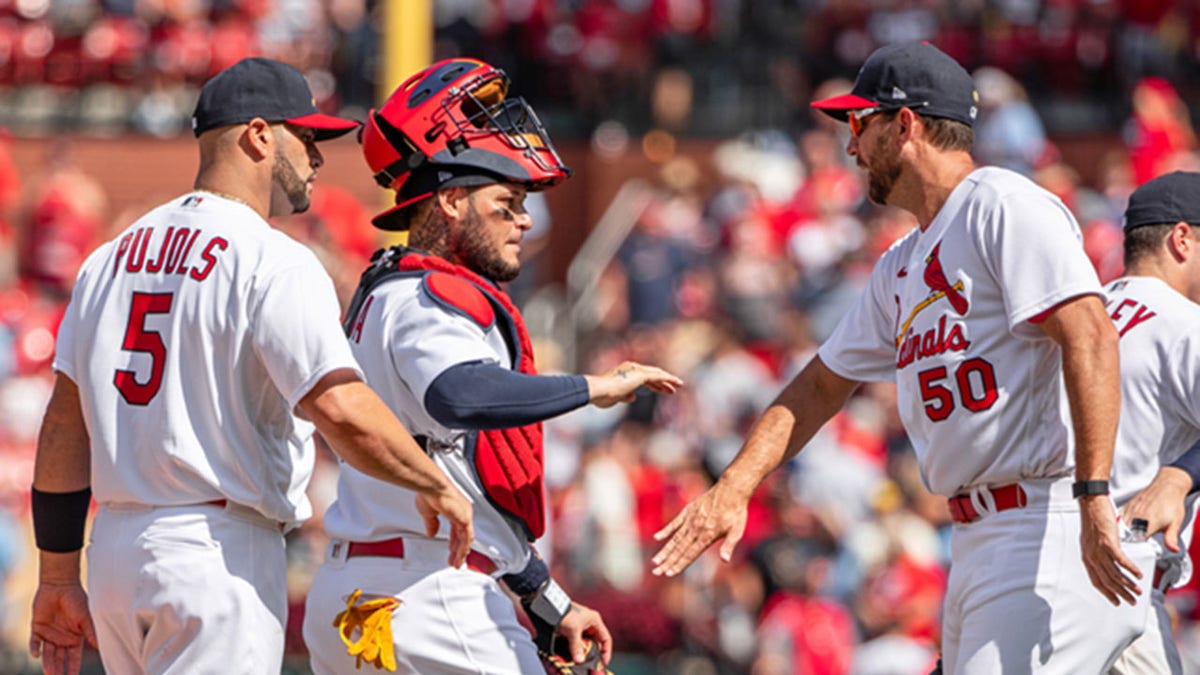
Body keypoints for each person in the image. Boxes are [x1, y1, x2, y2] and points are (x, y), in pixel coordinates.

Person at [650, 41, 1155, 673]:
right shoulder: (902, 263)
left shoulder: (1001, 203)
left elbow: (1090, 333)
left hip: (1047, 521)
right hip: (982, 537)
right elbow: (819, 386)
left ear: (906, 125)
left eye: (860, 124)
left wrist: (1093, 496)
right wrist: (733, 487)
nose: (850, 146)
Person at [28, 57, 474, 675]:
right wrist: (433, 480)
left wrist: (56, 573)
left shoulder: (110, 257)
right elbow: (339, 405)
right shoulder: (271, 258)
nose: (317, 158)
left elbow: (62, 427)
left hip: (114, 555)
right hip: (215, 552)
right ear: (260, 135)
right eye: (308, 137)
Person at [301, 57, 683, 674]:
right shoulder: (435, 295)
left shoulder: (385, 290)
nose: (525, 219)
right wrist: (595, 387)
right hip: (432, 597)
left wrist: (548, 599)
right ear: (451, 201)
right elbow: (461, 393)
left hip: (362, 594)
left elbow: (461, 474)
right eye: (506, 201)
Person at [1104, 171, 1200, 674]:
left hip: (1028, 566)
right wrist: (1181, 473)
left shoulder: (1079, 313)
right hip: (1119, 585)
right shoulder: (1185, 324)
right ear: (1182, 239)